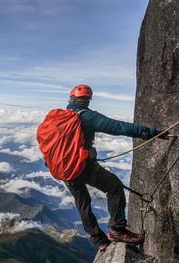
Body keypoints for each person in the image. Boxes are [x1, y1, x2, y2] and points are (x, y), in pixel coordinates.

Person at [64, 84, 168, 252]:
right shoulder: (87, 116)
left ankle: (99, 241)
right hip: (81, 167)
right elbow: (118, 127)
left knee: (82, 202)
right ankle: (117, 230)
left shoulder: (58, 117)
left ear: (70, 99)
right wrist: (151, 132)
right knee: (114, 186)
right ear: (87, 101)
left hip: (62, 169)